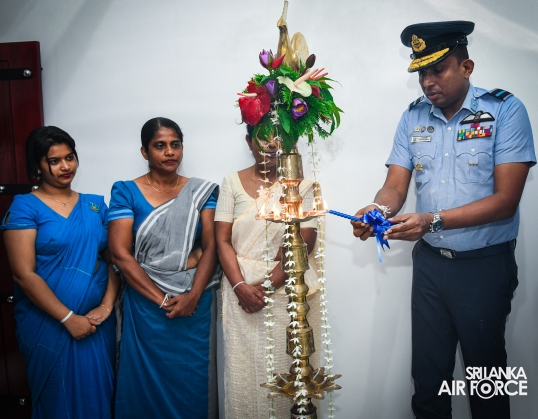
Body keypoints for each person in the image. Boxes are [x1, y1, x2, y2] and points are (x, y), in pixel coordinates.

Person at [351, 21, 536, 419]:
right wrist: (378, 210)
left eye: (438, 69)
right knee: (428, 383)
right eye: (421, 72)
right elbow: (394, 187)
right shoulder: (413, 117)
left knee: (486, 384)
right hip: (431, 267)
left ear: (466, 67)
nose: (427, 82)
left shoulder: (505, 110)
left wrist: (431, 221)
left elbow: (505, 201)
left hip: (484, 267)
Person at [1, 126, 119, 418]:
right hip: (49, 324)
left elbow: (114, 260)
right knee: (57, 399)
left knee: (97, 395)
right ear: (38, 166)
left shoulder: (95, 205)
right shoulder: (25, 207)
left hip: (95, 324)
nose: (66, 166)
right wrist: (68, 319)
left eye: (70, 157)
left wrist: (107, 306)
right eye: (54, 161)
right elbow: (23, 274)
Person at [108, 117, 219, 419]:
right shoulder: (126, 191)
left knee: (193, 383)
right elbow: (119, 254)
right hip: (147, 306)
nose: (170, 152)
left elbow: (211, 246)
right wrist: (162, 299)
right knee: (142, 382)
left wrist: (193, 297)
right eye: (160, 146)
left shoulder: (202, 191)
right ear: (145, 152)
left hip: (194, 305)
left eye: (175, 144)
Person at [215, 125, 321, 418]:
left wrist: (266, 287)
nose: (272, 143)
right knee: (245, 376)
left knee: (290, 371)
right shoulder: (231, 182)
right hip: (240, 295)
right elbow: (221, 240)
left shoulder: (304, 186)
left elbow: (305, 242)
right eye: (263, 136)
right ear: (249, 141)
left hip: (288, 293)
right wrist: (241, 287)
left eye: (278, 136)